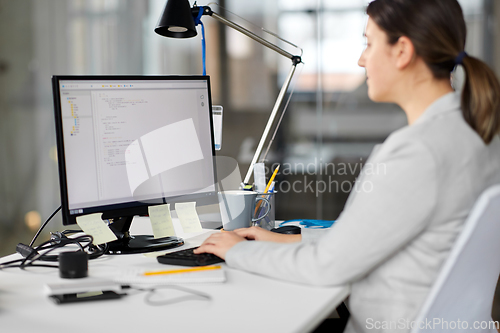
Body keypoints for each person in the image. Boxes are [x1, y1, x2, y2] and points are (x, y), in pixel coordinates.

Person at [195, 0, 500, 331]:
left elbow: (326, 268)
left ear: (402, 51)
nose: (361, 59)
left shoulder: (417, 153)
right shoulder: (474, 134)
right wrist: (291, 239)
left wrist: (236, 251)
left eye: (369, 43)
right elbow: (376, 237)